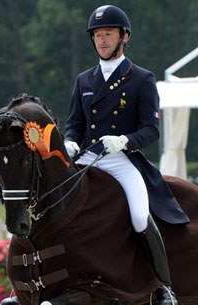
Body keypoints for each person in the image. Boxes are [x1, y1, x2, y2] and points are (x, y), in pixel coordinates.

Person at [64, 5, 189, 305]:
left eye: (108, 34)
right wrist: (69, 143)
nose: (102, 40)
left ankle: (164, 287)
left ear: (123, 37)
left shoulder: (141, 79)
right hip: (87, 158)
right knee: (49, 204)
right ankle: (26, 283)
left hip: (122, 160)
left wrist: (124, 141)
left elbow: (151, 130)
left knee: (137, 216)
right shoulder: (84, 80)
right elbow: (74, 125)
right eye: (97, 35)